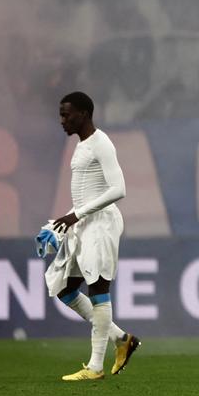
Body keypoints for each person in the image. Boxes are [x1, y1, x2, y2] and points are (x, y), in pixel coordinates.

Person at [43, 91, 140, 381]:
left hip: (101, 224)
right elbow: (86, 195)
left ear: (83, 114)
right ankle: (122, 339)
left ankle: (95, 367)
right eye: (60, 114)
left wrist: (77, 214)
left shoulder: (101, 143)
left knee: (98, 289)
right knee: (65, 288)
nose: (62, 120)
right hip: (84, 223)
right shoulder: (82, 145)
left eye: (66, 114)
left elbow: (118, 189)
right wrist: (58, 223)